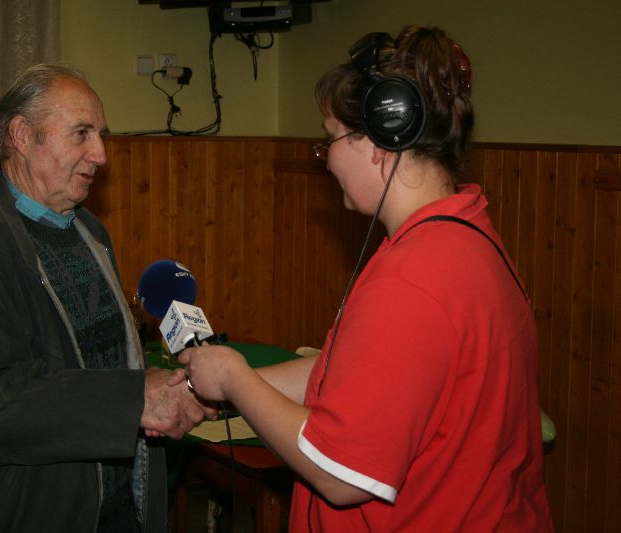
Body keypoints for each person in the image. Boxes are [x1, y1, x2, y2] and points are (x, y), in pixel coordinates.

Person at [177, 26, 554, 531]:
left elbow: (342, 474)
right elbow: (356, 376)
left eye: (330, 139)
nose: (327, 158)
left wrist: (233, 378)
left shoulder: (412, 280)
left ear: (378, 142)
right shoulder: (466, 234)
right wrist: (225, 385)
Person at [0, 63, 216, 532]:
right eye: (82, 133)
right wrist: (133, 399)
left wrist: (158, 392)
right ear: (22, 136)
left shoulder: (87, 230)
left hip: (112, 508)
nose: (101, 154)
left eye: (101, 135)